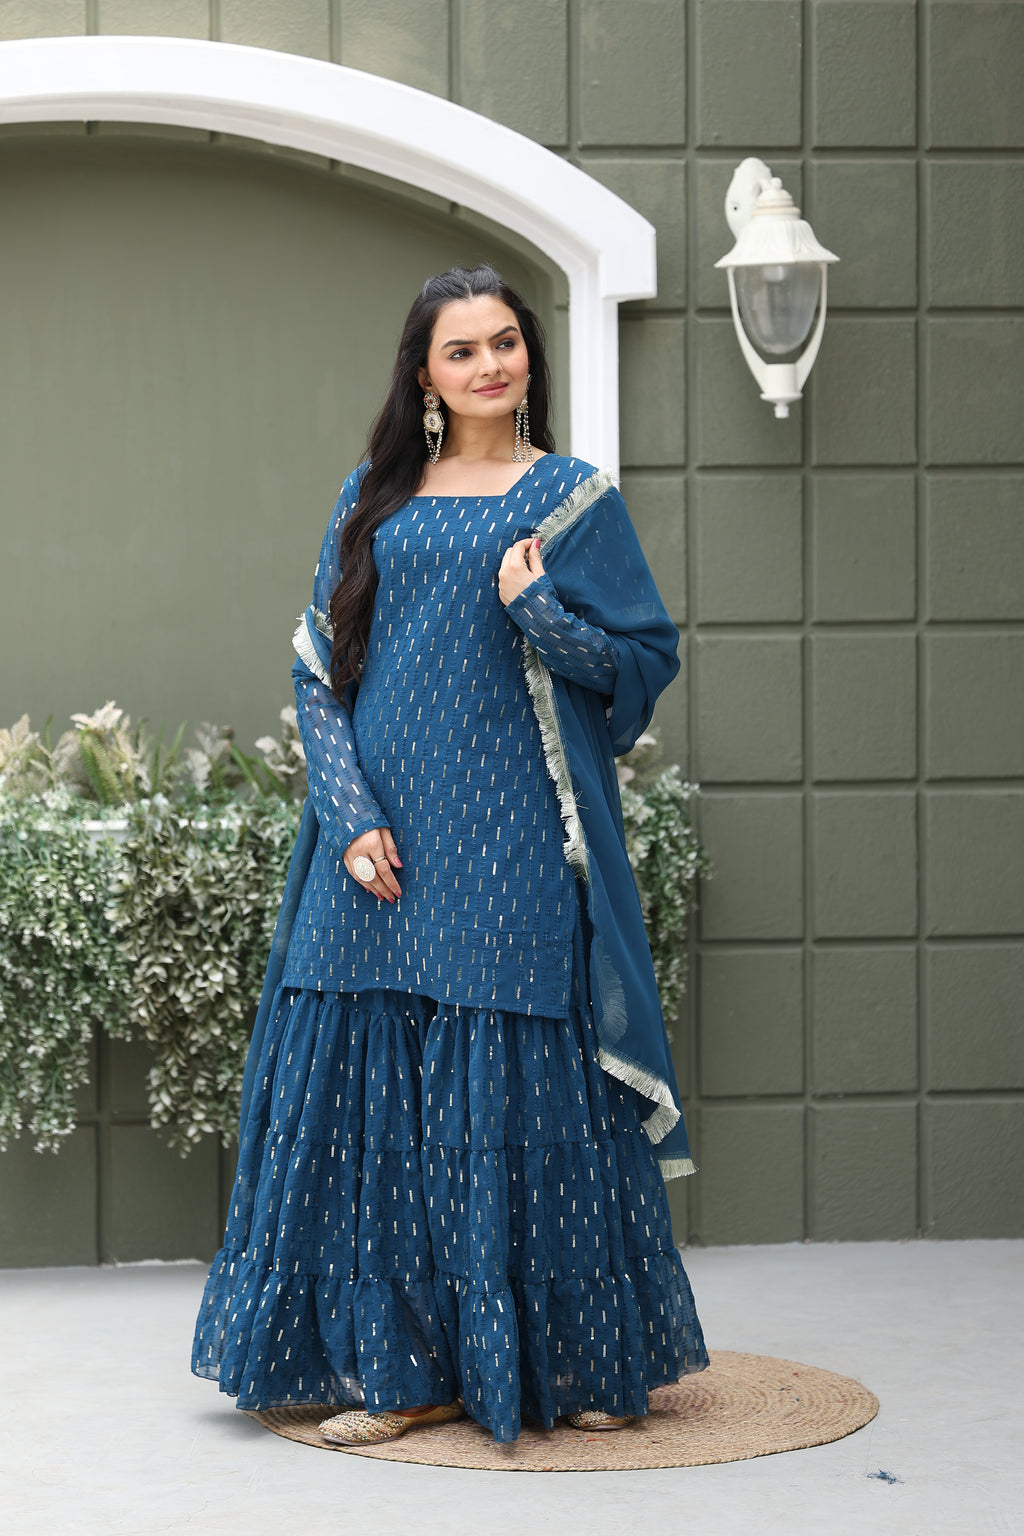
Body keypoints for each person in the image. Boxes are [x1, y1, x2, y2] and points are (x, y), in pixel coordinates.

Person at [191, 264, 707, 1447]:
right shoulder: (374, 495)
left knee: (518, 1087)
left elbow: (635, 669)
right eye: (461, 349)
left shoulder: (571, 499)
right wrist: (349, 812)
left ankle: (565, 1358)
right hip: (374, 842)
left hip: (512, 831)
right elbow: (317, 669)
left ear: (529, 357)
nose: (489, 365)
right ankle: (404, 1371)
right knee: (369, 1096)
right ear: (423, 375)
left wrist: (541, 614)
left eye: (505, 342)